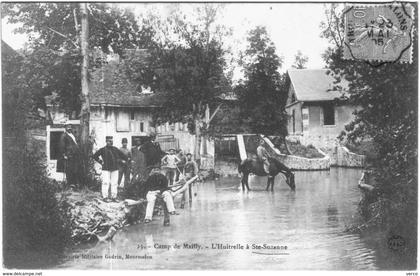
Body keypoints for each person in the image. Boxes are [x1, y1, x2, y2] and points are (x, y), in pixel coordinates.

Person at [93, 136, 128, 202]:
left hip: (115, 169)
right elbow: (95, 156)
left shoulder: (115, 149)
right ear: (106, 141)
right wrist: (101, 162)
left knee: (114, 183)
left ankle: (114, 197)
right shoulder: (102, 149)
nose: (110, 142)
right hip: (106, 169)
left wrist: (124, 160)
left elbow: (124, 156)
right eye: (109, 141)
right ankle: (105, 197)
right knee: (105, 182)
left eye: (111, 141)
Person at [57, 123, 82, 189]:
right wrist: (64, 154)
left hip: (75, 155)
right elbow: (62, 146)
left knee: (75, 169)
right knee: (69, 170)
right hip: (69, 155)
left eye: (70, 126)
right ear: (65, 128)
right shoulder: (64, 135)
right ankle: (70, 185)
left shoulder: (73, 135)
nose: (69, 128)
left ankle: (75, 184)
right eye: (68, 127)